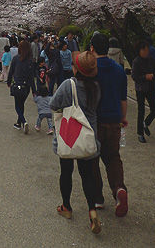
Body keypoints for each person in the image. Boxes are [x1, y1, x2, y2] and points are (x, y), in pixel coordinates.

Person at [50, 51, 102, 234]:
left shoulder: (68, 85)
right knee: (87, 175)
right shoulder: (96, 86)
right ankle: (92, 210)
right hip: (88, 138)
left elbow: (54, 104)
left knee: (66, 172)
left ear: (76, 68)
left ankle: (67, 208)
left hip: (68, 137)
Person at [90, 32, 128, 217]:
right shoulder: (119, 70)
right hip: (114, 120)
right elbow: (123, 99)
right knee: (113, 158)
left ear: (92, 48)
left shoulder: (91, 68)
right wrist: (123, 118)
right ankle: (119, 189)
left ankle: (98, 198)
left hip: (95, 120)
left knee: (93, 159)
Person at [131, 40, 155, 143]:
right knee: (141, 111)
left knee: (154, 110)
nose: (146, 52)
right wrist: (145, 77)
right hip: (141, 89)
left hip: (151, 87)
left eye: (147, 49)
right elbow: (134, 76)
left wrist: (153, 75)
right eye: (144, 50)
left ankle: (145, 123)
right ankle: (140, 133)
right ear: (139, 50)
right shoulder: (136, 61)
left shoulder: (151, 60)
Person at [7, 39, 36, 133]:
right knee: (21, 104)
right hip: (26, 86)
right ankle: (19, 123)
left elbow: (11, 71)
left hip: (17, 85)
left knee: (17, 106)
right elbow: (32, 77)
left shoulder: (16, 58)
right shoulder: (31, 61)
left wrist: (8, 81)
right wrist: (34, 90)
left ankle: (23, 121)